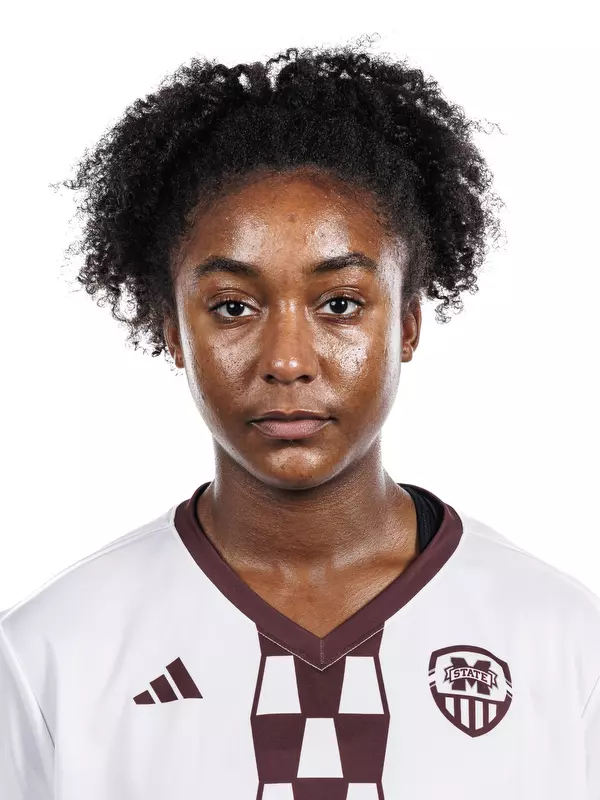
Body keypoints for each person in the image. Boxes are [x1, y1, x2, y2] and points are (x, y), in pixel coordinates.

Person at [1, 39, 598, 800]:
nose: (288, 359)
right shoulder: (50, 653)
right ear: (172, 331)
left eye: (340, 303)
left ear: (408, 323)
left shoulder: (565, 641)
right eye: (234, 307)